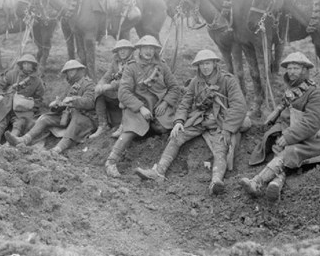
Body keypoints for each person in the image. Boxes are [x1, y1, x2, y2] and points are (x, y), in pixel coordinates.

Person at [135, 50, 247, 194]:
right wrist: (179, 121)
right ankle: (158, 172)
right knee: (176, 136)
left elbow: (239, 106)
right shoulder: (196, 82)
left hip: (221, 121)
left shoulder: (228, 80)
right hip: (200, 119)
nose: (205, 67)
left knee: (221, 146)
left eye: (208, 63)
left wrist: (227, 129)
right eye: (201, 65)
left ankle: (216, 181)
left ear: (214, 64)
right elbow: (185, 103)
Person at [240, 52, 320, 201]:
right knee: (275, 145)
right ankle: (277, 182)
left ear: (304, 70)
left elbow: (312, 122)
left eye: (296, 68)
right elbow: (286, 101)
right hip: (295, 131)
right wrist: (276, 111)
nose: (291, 72)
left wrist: (289, 137)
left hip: (312, 138)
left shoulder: (315, 93)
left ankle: (257, 182)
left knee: (289, 152)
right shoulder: (294, 88)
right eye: (289, 68)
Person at [105, 35, 181, 178]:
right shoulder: (131, 66)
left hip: (158, 106)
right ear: (139, 49)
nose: (148, 51)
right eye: (145, 48)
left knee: (165, 128)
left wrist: (165, 103)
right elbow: (124, 92)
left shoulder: (162, 66)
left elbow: (175, 88)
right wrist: (140, 107)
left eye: (152, 48)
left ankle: (151, 136)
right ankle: (111, 161)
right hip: (138, 106)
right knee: (130, 131)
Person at [5, 59, 96, 154]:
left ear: (80, 71)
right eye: (68, 71)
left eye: (73, 70)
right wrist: (56, 104)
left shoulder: (88, 84)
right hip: (68, 115)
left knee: (76, 119)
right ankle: (24, 139)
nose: (70, 73)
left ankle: (57, 149)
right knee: (45, 118)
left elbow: (90, 102)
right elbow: (62, 102)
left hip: (84, 118)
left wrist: (73, 100)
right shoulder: (71, 87)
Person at [0, 54, 45, 144]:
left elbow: (39, 99)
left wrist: (30, 105)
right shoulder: (12, 74)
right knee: (0, 121)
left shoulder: (37, 82)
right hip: (6, 105)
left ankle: (10, 142)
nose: (26, 66)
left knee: (19, 123)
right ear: (21, 65)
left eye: (29, 64)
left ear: (34, 66)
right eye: (24, 63)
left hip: (22, 110)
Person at [90, 39, 135, 139]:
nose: (122, 52)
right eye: (120, 49)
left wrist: (110, 86)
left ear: (130, 50)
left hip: (131, 92)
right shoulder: (116, 61)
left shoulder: (134, 62)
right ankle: (103, 125)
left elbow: (128, 81)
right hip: (117, 92)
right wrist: (100, 84)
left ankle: (123, 125)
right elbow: (107, 76)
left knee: (125, 93)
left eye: (125, 49)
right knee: (99, 93)